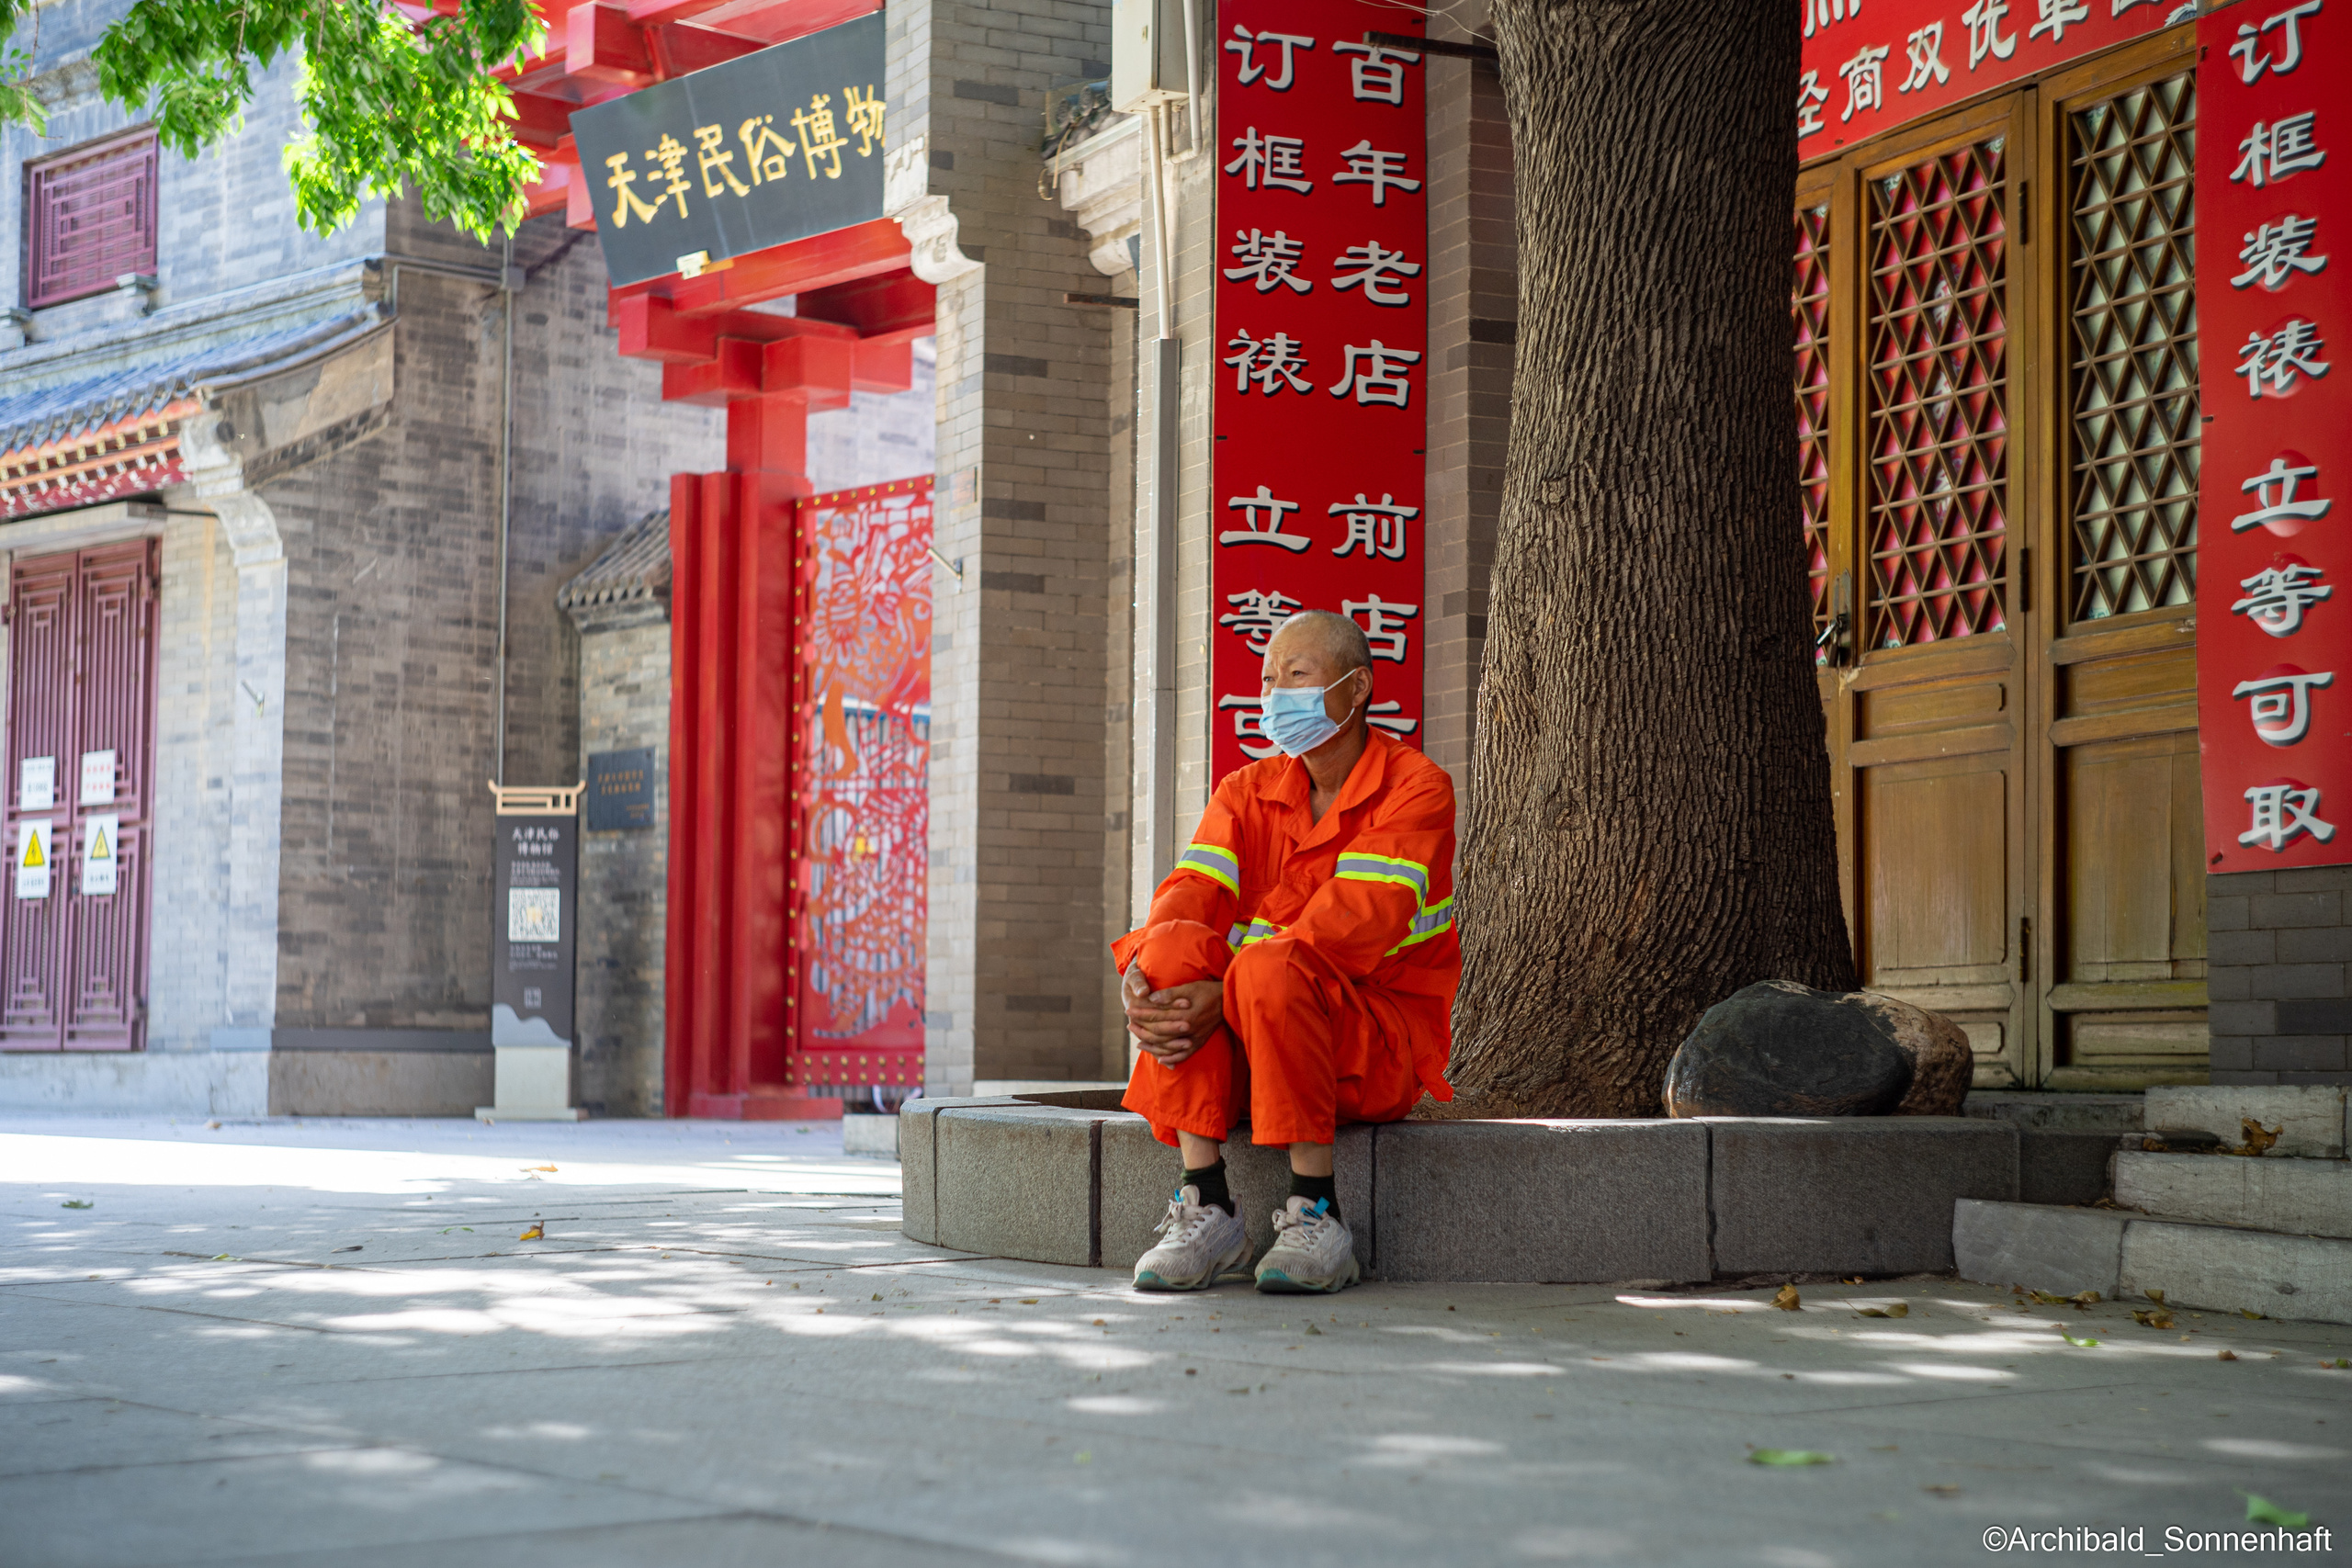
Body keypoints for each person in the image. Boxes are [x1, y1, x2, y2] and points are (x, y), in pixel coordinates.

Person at [1114, 610, 1458, 1293]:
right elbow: (1190, 892)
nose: (1275, 696)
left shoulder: (1416, 786)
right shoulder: (1245, 791)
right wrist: (1141, 971)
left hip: (1370, 1042)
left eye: (1297, 676)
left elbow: (1351, 923)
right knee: (1172, 945)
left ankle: (1317, 1213)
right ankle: (1206, 1204)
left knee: (1270, 966)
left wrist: (1229, 991)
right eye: (1269, 680)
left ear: (1356, 689)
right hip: (1262, 1039)